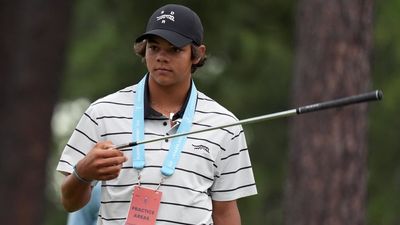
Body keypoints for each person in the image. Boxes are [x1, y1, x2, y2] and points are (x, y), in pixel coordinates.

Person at [57, 4, 257, 225]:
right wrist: (82, 173)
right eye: (154, 47)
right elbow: (69, 202)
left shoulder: (225, 125)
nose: (162, 57)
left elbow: (225, 212)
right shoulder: (102, 113)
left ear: (197, 54)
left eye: (174, 49)